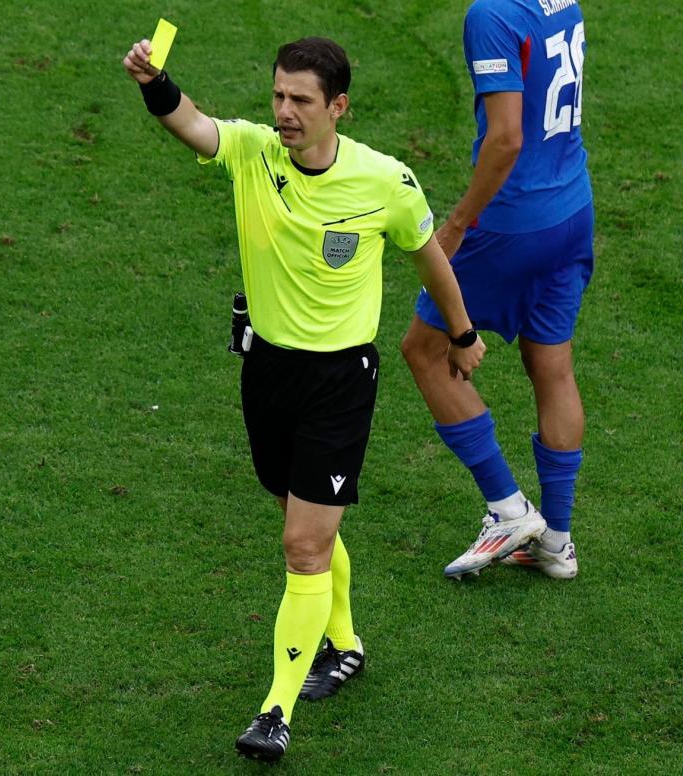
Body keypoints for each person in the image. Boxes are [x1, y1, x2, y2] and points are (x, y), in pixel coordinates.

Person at [123, 35, 483, 763]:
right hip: (267, 374)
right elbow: (190, 123)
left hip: (339, 381)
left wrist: (461, 331)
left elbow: (428, 257)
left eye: (300, 101)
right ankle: (345, 645)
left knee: (303, 545)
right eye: (278, 96)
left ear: (337, 108)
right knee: (300, 521)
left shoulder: (384, 181)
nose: (283, 113)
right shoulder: (252, 152)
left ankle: (274, 711)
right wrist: (153, 81)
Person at [400, 0, 594, 581]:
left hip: (512, 221)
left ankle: (508, 508)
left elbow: (506, 139)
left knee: (424, 350)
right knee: (552, 365)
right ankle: (556, 542)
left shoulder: (491, 14)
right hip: (572, 208)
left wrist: (457, 223)